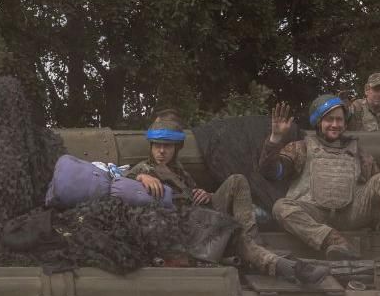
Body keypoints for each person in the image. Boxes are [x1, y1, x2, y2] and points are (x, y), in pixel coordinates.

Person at [129, 110, 329, 284]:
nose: (161, 151)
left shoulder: (179, 172)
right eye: (157, 146)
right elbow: (117, 184)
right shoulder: (144, 168)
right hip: (183, 229)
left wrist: (207, 194)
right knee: (242, 244)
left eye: (167, 146)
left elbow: (191, 195)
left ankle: (253, 240)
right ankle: (286, 266)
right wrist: (140, 176)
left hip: (202, 216)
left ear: (176, 149)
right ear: (151, 146)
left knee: (237, 180)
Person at [261, 95, 380, 259]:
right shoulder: (301, 148)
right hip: (314, 213)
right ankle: (333, 240)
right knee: (281, 207)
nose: (335, 124)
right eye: (329, 120)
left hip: (351, 214)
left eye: (339, 120)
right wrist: (275, 138)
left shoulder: (358, 152)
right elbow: (272, 172)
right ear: (319, 122)